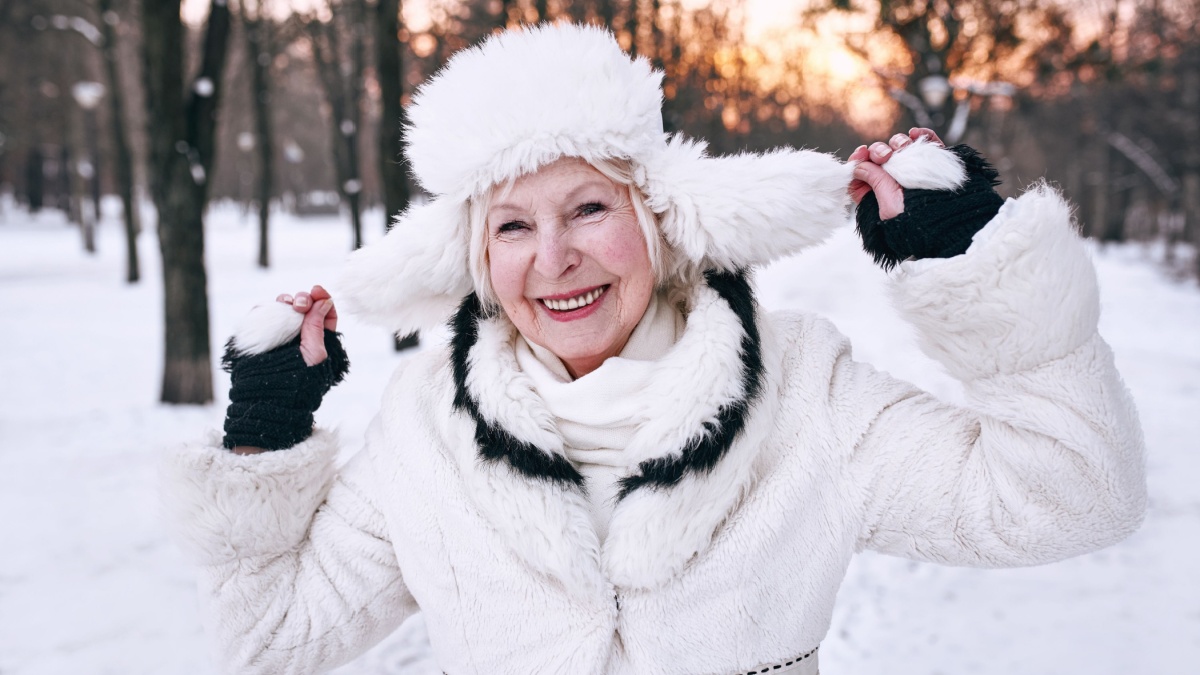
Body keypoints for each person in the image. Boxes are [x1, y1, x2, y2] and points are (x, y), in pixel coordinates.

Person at [161, 23, 1146, 675]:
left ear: (661, 217)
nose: (554, 260)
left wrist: (975, 272)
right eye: (511, 227)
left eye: (589, 207)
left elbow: (1071, 493)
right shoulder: (424, 429)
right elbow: (267, 640)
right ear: (472, 255)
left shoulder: (805, 392)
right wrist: (265, 435)